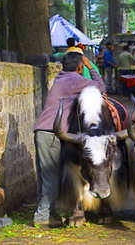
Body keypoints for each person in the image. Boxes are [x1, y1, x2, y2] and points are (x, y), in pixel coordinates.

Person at [33, 52, 105, 227]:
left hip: (44, 131)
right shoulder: (74, 80)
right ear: (79, 67)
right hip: (51, 133)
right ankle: (42, 217)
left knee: (47, 176)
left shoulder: (62, 77)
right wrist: (90, 66)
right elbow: (101, 88)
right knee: (51, 176)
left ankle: (50, 213)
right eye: (82, 65)